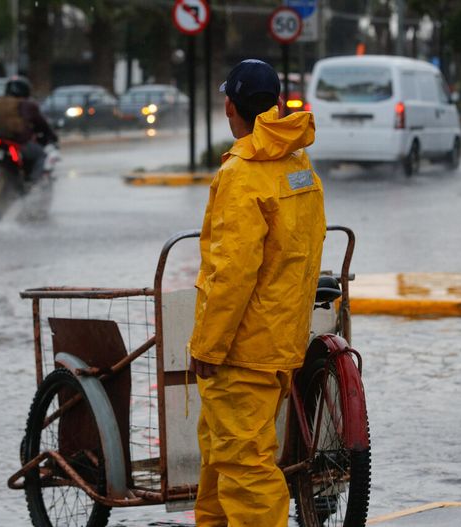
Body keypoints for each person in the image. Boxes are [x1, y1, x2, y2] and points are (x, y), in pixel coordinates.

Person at [188, 59, 326, 527]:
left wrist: (207, 345)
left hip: (241, 349)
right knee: (220, 457)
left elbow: (231, 274)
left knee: (245, 470)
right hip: (280, 341)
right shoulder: (298, 164)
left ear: (230, 106)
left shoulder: (242, 173)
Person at [0, 76, 58, 183]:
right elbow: (42, 125)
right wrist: (52, 137)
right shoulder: (28, 105)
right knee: (41, 155)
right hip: (20, 142)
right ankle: (35, 182)